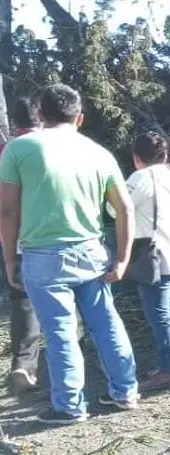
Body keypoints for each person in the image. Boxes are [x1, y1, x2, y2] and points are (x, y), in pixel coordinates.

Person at [0, 83, 139, 425]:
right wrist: (122, 258)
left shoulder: (20, 149)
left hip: (43, 256)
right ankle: (125, 391)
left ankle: (70, 406)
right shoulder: (99, 152)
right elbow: (125, 210)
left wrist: (10, 259)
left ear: (42, 115)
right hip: (92, 251)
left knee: (60, 331)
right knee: (106, 323)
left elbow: (7, 211)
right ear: (79, 118)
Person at [111, 132, 170, 391]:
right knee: (169, 312)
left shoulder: (141, 178)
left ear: (137, 158)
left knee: (158, 315)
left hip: (156, 256)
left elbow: (116, 208)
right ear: (166, 154)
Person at [2, 97, 42, 394]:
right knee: (66, 298)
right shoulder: (55, 147)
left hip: (12, 238)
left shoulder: (6, 151)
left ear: (14, 123)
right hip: (50, 235)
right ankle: (62, 361)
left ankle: (23, 364)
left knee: (22, 301)